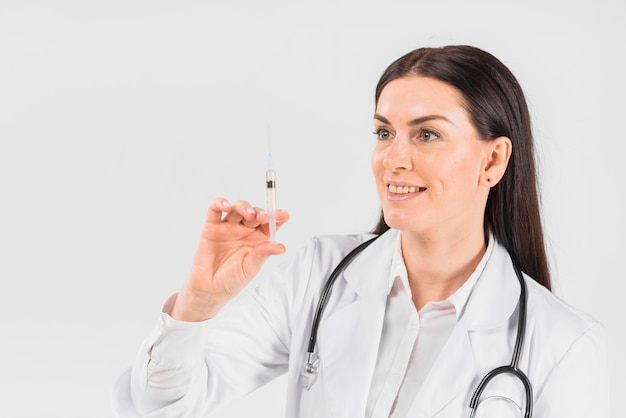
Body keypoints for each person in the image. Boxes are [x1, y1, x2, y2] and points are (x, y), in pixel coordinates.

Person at [112, 45, 610, 417]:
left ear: (493, 159)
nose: (394, 158)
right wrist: (197, 305)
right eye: (384, 132)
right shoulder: (320, 275)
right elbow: (156, 403)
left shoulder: (562, 345)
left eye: (427, 134)